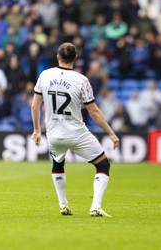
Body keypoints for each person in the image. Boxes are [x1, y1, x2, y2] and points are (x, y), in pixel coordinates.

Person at [31, 42, 120, 217]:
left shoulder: (45, 75)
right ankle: (95, 206)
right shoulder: (81, 80)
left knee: (58, 163)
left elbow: (35, 105)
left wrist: (36, 130)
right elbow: (93, 110)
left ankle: (63, 204)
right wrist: (111, 133)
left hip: (53, 133)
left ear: (58, 56)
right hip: (76, 132)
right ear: (75, 58)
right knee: (102, 164)